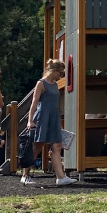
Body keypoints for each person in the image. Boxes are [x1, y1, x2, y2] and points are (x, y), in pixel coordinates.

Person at [22, 59, 77, 187]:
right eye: (60, 73)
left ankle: (61, 177)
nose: (61, 76)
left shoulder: (55, 85)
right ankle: (25, 176)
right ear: (53, 71)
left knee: (57, 146)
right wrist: (30, 121)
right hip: (42, 117)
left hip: (53, 117)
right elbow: (34, 103)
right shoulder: (41, 83)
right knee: (37, 147)